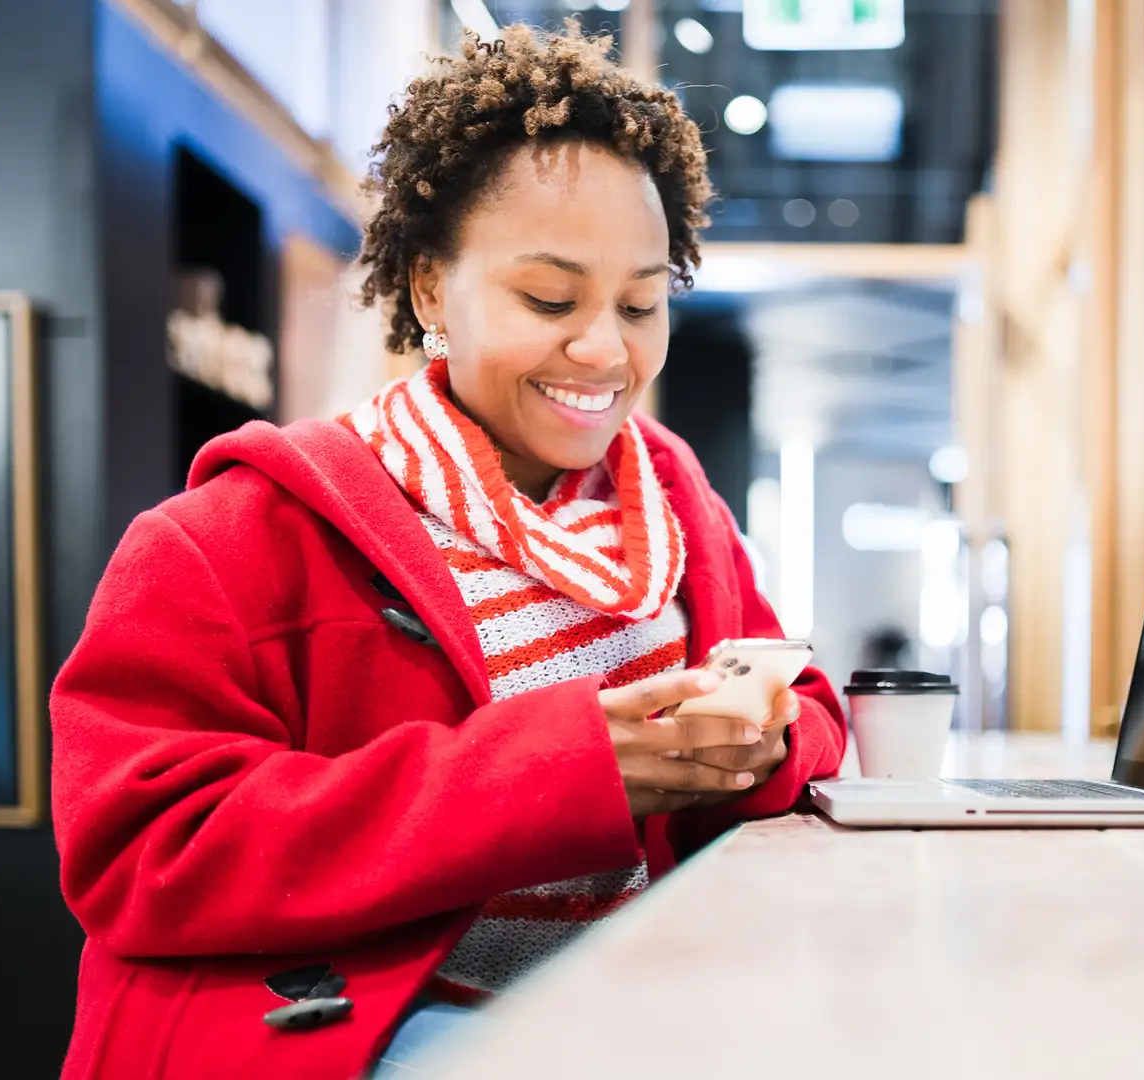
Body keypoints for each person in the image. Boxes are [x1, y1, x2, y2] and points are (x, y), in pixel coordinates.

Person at [50, 24, 847, 1080]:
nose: (606, 349)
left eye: (643, 303)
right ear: (430, 290)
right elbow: (141, 850)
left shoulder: (673, 506)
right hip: (360, 1031)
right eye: (551, 299)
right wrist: (563, 772)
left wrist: (752, 750)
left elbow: (814, 712)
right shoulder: (231, 538)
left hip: (633, 1009)